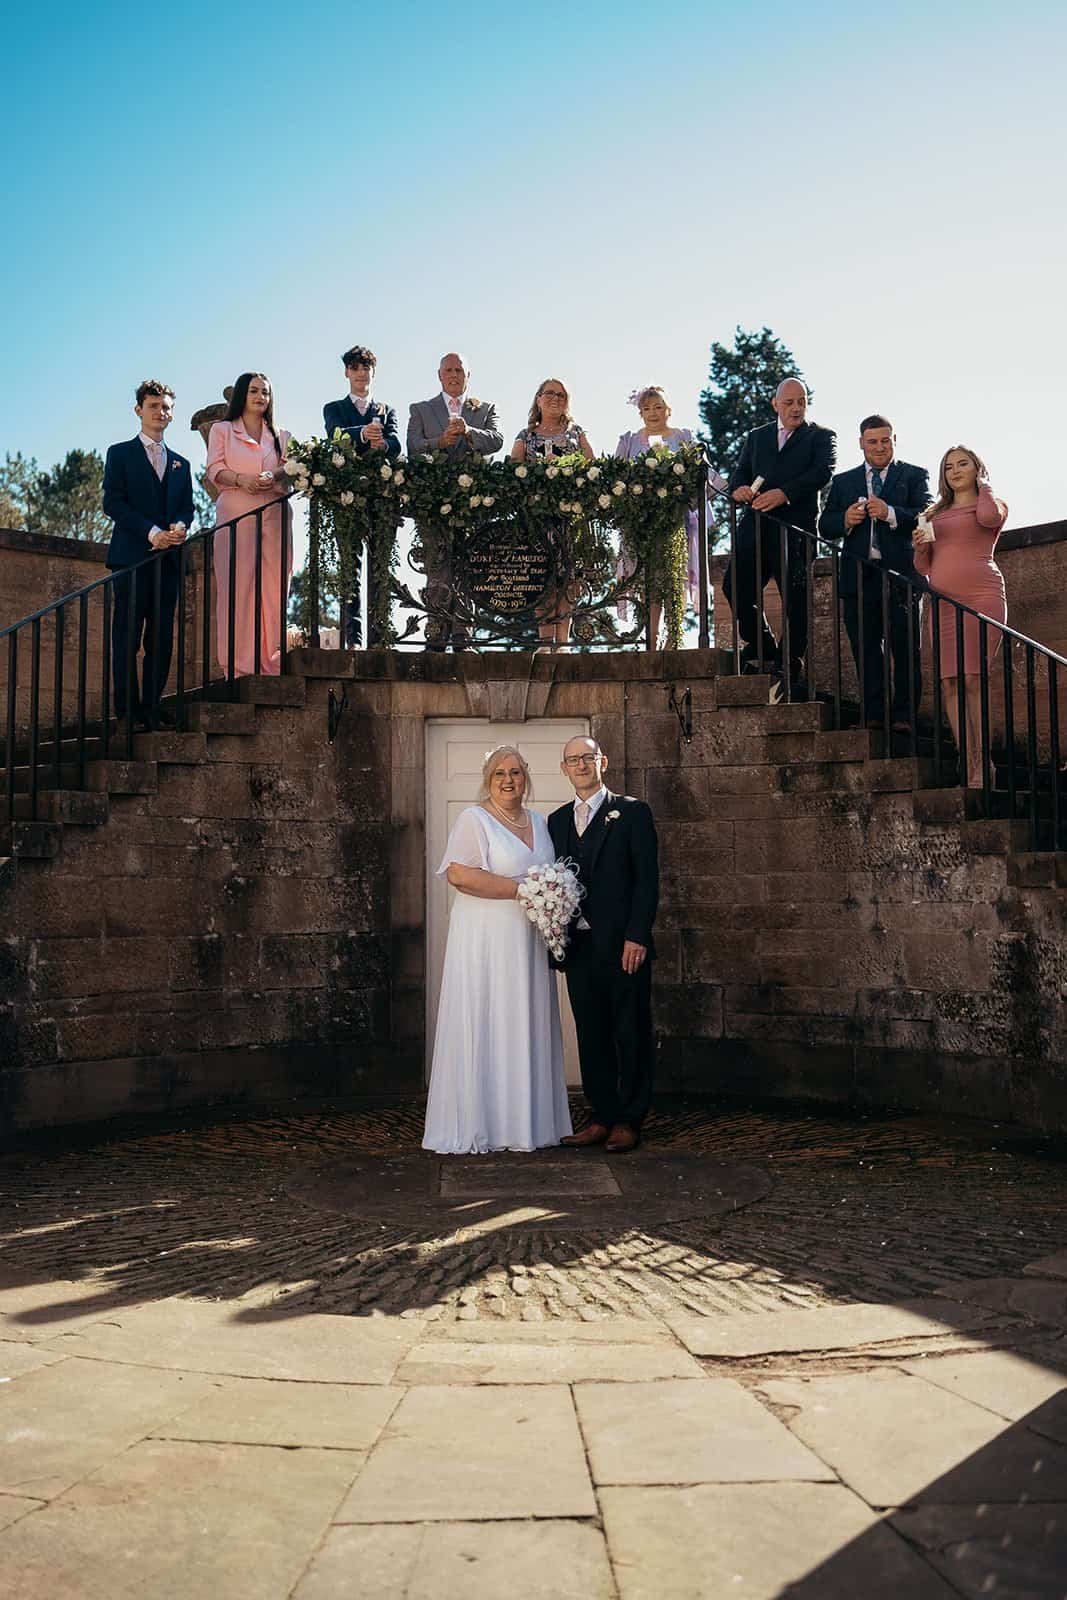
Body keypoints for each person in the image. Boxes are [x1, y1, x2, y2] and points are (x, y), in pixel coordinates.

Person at [423, 745, 573, 1155]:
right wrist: (523, 889)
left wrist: (553, 897)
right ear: (488, 780)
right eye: (499, 774)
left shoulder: (540, 822)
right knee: (490, 1017)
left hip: (527, 941)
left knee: (525, 1019)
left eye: (516, 773)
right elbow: (459, 874)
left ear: (526, 777)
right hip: (486, 942)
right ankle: (484, 1124)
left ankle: (529, 1124)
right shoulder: (473, 819)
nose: (509, 780)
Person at [549, 737, 658, 1154]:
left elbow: (647, 880)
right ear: (564, 769)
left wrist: (637, 935)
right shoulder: (556, 822)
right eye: (572, 760)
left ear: (602, 762)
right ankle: (601, 1116)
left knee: (629, 1030)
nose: (580, 765)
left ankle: (629, 1120)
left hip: (623, 945)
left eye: (587, 757)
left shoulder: (632, 812)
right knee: (591, 1032)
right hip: (579, 947)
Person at [724, 379, 837, 700]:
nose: (796, 408)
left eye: (801, 401)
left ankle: (790, 661)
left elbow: (823, 471)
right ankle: (762, 646)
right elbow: (739, 474)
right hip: (755, 526)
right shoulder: (757, 437)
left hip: (795, 529)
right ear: (775, 404)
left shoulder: (821, 436)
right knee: (734, 585)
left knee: (795, 598)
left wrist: (783, 494)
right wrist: (739, 490)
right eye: (789, 402)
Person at [819, 415, 932, 732]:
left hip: (901, 576)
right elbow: (824, 526)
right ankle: (873, 716)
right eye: (872, 441)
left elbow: (926, 515)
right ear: (861, 443)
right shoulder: (843, 482)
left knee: (906, 648)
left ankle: (904, 717)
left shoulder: (913, 475)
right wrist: (845, 519)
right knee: (866, 650)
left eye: (885, 440)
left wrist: (891, 513)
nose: (879, 447)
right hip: (858, 577)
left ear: (895, 440)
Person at [913, 446, 1008, 788]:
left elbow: (989, 519)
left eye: (962, 464)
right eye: (948, 466)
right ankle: (968, 763)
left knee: (973, 679)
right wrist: (920, 545)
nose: (954, 471)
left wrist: (984, 485)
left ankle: (985, 766)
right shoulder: (932, 513)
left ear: (977, 468)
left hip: (983, 598)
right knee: (950, 683)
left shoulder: (990, 502)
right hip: (943, 604)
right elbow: (924, 567)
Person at [102, 380, 193, 731]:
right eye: (154, 405)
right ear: (139, 410)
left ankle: (152, 708)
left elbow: (187, 507)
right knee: (126, 637)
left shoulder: (181, 464)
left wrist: (179, 527)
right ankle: (126, 713)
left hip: (168, 562)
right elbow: (113, 502)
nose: (161, 412)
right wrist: (151, 533)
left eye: (167, 406)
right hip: (131, 558)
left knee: (161, 640)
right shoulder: (119, 453)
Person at [614, 384, 725, 646]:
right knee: (646, 580)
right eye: (647, 408)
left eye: (659, 407)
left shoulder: (683, 436)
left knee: (675, 577)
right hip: (640, 524)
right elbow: (616, 477)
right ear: (640, 413)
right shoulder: (629, 440)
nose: (653, 412)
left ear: (669, 410)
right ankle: (650, 638)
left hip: (677, 522)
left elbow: (702, 475)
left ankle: (674, 638)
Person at [407, 352, 503, 650]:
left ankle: (464, 635)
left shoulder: (484, 408)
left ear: (467, 375)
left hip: (473, 502)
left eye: (459, 370)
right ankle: (436, 632)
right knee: (437, 564)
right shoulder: (421, 409)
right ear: (439, 375)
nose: (454, 374)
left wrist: (469, 432)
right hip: (434, 501)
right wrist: (441, 443)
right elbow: (412, 446)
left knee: (470, 564)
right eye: (448, 370)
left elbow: (497, 440)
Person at [206, 372, 292, 677]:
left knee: (273, 588)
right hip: (237, 513)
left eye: (265, 393)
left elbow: (289, 470)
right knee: (238, 588)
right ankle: (238, 666)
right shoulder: (223, 430)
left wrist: (276, 476)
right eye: (254, 391)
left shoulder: (281, 435)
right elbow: (214, 467)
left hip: (275, 514)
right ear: (242, 394)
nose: (260, 397)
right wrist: (241, 479)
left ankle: (271, 661)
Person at [323, 345, 401, 648]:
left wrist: (383, 445)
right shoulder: (333, 407)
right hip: (347, 497)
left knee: (381, 566)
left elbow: (395, 443)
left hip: (381, 498)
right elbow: (334, 435)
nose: (361, 374)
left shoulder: (386, 409)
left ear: (373, 372)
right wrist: (361, 435)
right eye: (355, 368)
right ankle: (352, 637)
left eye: (366, 368)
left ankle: (380, 637)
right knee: (349, 568)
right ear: (347, 372)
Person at [511, 378, 594, 649]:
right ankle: (546, 642)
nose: (555, 398)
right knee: (541, 576)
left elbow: (591, 465)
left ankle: (563, 641)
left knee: (568, 578)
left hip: (569, 518)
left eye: (560, 394)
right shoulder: (526, 435)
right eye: (549, 393)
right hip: (538, 520)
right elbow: (514, 469)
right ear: (538, 399)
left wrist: (566, 469)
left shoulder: (576, 432)